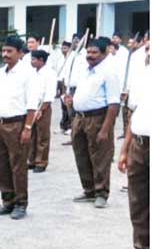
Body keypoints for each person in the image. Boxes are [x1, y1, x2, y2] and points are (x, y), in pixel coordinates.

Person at [62, 37, 120, 209]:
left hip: (98, 118)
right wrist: (71, 101)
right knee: (81, 155)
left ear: (104, 53)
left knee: (100, 156)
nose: (90, 55)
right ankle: (89, 190)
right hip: (80, 119)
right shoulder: (85, 71)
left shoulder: (109, 73)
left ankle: (101, 192)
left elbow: (114, 104)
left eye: (95, 52)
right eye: (88, 52)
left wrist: (105, 129)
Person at [0, 36, 38, 220]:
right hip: (0, 124)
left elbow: (32, 103)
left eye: (10, 51)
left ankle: (20, 203)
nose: (5, 54)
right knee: (1, 166)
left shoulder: (28, 74)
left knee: (17, 166)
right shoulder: (0, 73)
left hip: (18, 123)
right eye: (4, 51)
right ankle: (7, 200)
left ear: (19, 53)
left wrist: (28, 127)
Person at [117, 41, 150, 249]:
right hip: (139, 144)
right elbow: (133, 113)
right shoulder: (144, 76)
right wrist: (124, 150)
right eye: (147, 49)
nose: (147, 53)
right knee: (138, 200)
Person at [28, 50, 57, 173]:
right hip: (31, 107)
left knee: (42, 135)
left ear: (41, 60)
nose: (31, 61)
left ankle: (41, 161)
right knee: (32, 135)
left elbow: (49, 94)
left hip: (42, 107)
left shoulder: (50, 73)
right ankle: (32, 160)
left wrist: (41, 109)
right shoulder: (32, 73)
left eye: (34, 59)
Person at [56, 41, 73, 132]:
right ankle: (63, 126)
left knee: (69, 106)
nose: (63, 50)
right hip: (61, 83)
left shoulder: (72, 59)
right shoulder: (60, 59)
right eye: (62, 48)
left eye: (65, 48)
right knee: (63, 106)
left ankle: (70, 126)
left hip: (68, 84)